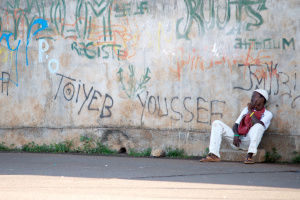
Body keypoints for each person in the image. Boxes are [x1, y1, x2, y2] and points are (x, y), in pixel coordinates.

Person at [200, 89, 273, 164]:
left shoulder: (268, 114)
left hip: (248, 142)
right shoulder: (246, 110)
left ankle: (249, 156)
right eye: (252, 96)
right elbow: (236, 124)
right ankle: (214, 154)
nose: (251, 98)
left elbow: (258, 123)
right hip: (237, 141)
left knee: (259, 126)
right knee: (217, 123)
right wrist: (236, 134)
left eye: (254, 96)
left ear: (262, 98)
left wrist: (250, 111)